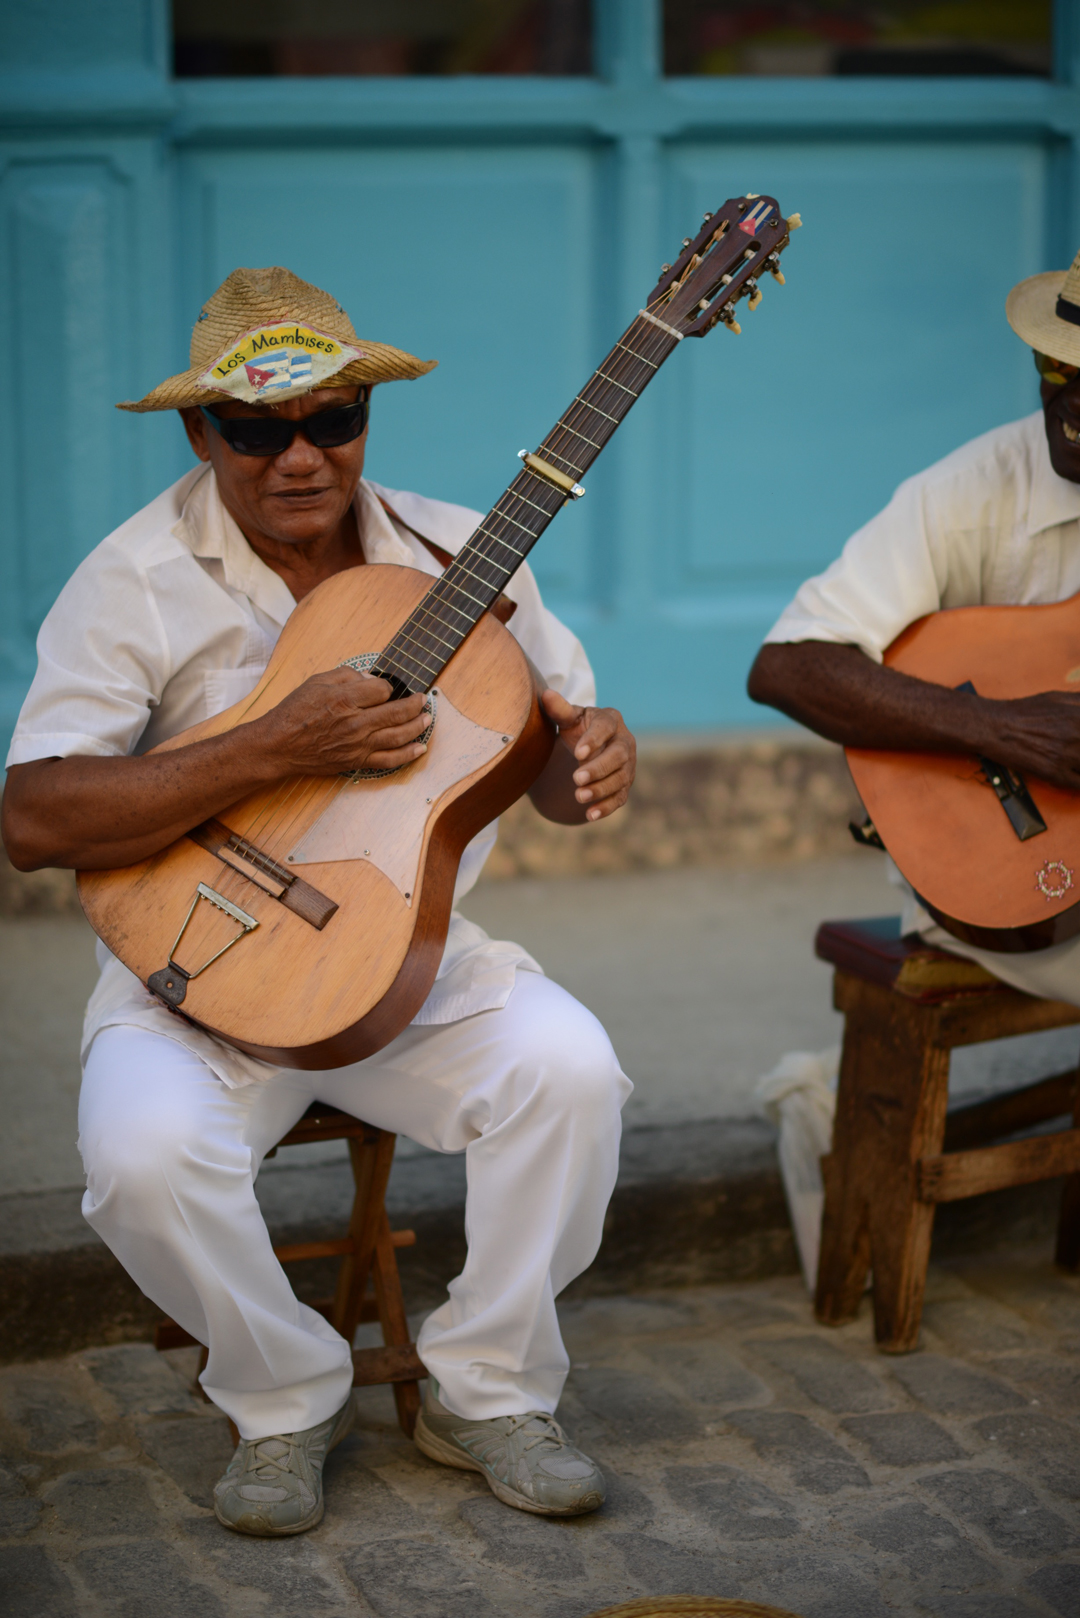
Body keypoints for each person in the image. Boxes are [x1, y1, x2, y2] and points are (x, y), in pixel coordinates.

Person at [1, 266, 637, 1537]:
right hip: (197, 963)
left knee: (573, 1072)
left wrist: (590, 766)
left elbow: (545, 766)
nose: (298, 457)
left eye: (330, 421)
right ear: (201, 433)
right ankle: (284, 1395)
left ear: (363, 420)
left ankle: (489, 1389)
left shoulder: (468, 560)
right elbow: (31, 819)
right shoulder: (132, 579)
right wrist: (272, 745)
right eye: (255, 429)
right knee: (136, 1162)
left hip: (409, 957)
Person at [748, 245, 1080, 1004]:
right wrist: (1002, 729)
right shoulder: (970, 492)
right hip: (1006, 879)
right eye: (1059, 368)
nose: (1075, 400)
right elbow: (790, 664)